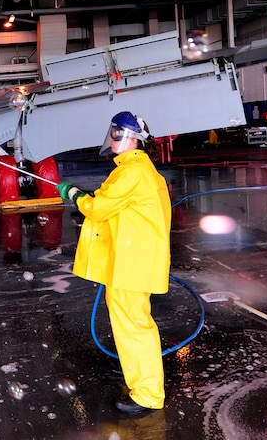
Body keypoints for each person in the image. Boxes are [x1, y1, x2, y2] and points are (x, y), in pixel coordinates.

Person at [56, 111, 171, 415]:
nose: (110, 138)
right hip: (131, 263)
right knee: (132, 326)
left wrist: (74, 194)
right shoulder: (135, 169)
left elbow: (98, 209)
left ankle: (148, 394)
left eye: (114, 132)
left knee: (134, 328)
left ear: (128, 137)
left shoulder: (133, 171)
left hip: (132, 267)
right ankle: (143, 385)